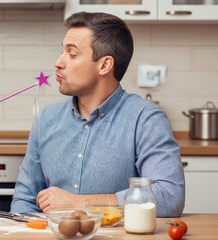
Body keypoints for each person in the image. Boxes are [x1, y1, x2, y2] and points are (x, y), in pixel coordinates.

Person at [11, 12, 185, 217]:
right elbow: (24, 200)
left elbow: (169, 196)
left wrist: (81, 203)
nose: (58, 62)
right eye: (62, 52)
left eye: (72, 54)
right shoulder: (46, 119)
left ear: (104, 65)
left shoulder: (146, 119)